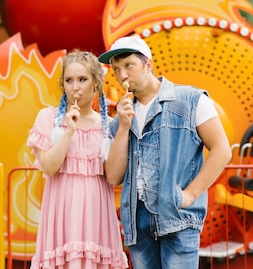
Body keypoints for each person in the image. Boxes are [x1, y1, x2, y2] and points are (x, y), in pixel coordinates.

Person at [98, 35, 232, 269]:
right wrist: (123, 126)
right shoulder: (121, 118)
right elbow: (114, 177)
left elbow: (222, 150)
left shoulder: (191, 99)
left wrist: (190, 195)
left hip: (178, 216)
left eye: (128, 65)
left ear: (147, 64)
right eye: (117, 69)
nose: (122, 76)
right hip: (137, 223)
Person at [27, 50, 129, 269]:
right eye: (69, 80)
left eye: (82, 79)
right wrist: (68, 132)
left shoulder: (108, 126)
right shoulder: (48, 119)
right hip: (60, 218)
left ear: (96, 84)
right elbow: (50, 167)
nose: (75, 87)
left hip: (96, 218)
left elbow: (113, 177)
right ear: (63, 85)